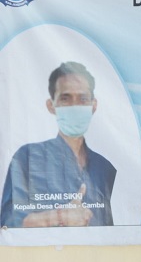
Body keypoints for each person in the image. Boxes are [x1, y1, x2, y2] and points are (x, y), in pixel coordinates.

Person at [0, 61, 116, 227]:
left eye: (83, 99)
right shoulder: (28, 157)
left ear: (94, 105)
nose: (75, 106)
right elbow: (7, 223)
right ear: (51, 105)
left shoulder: (104, 168)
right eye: (65, 98)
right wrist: (59, 216)